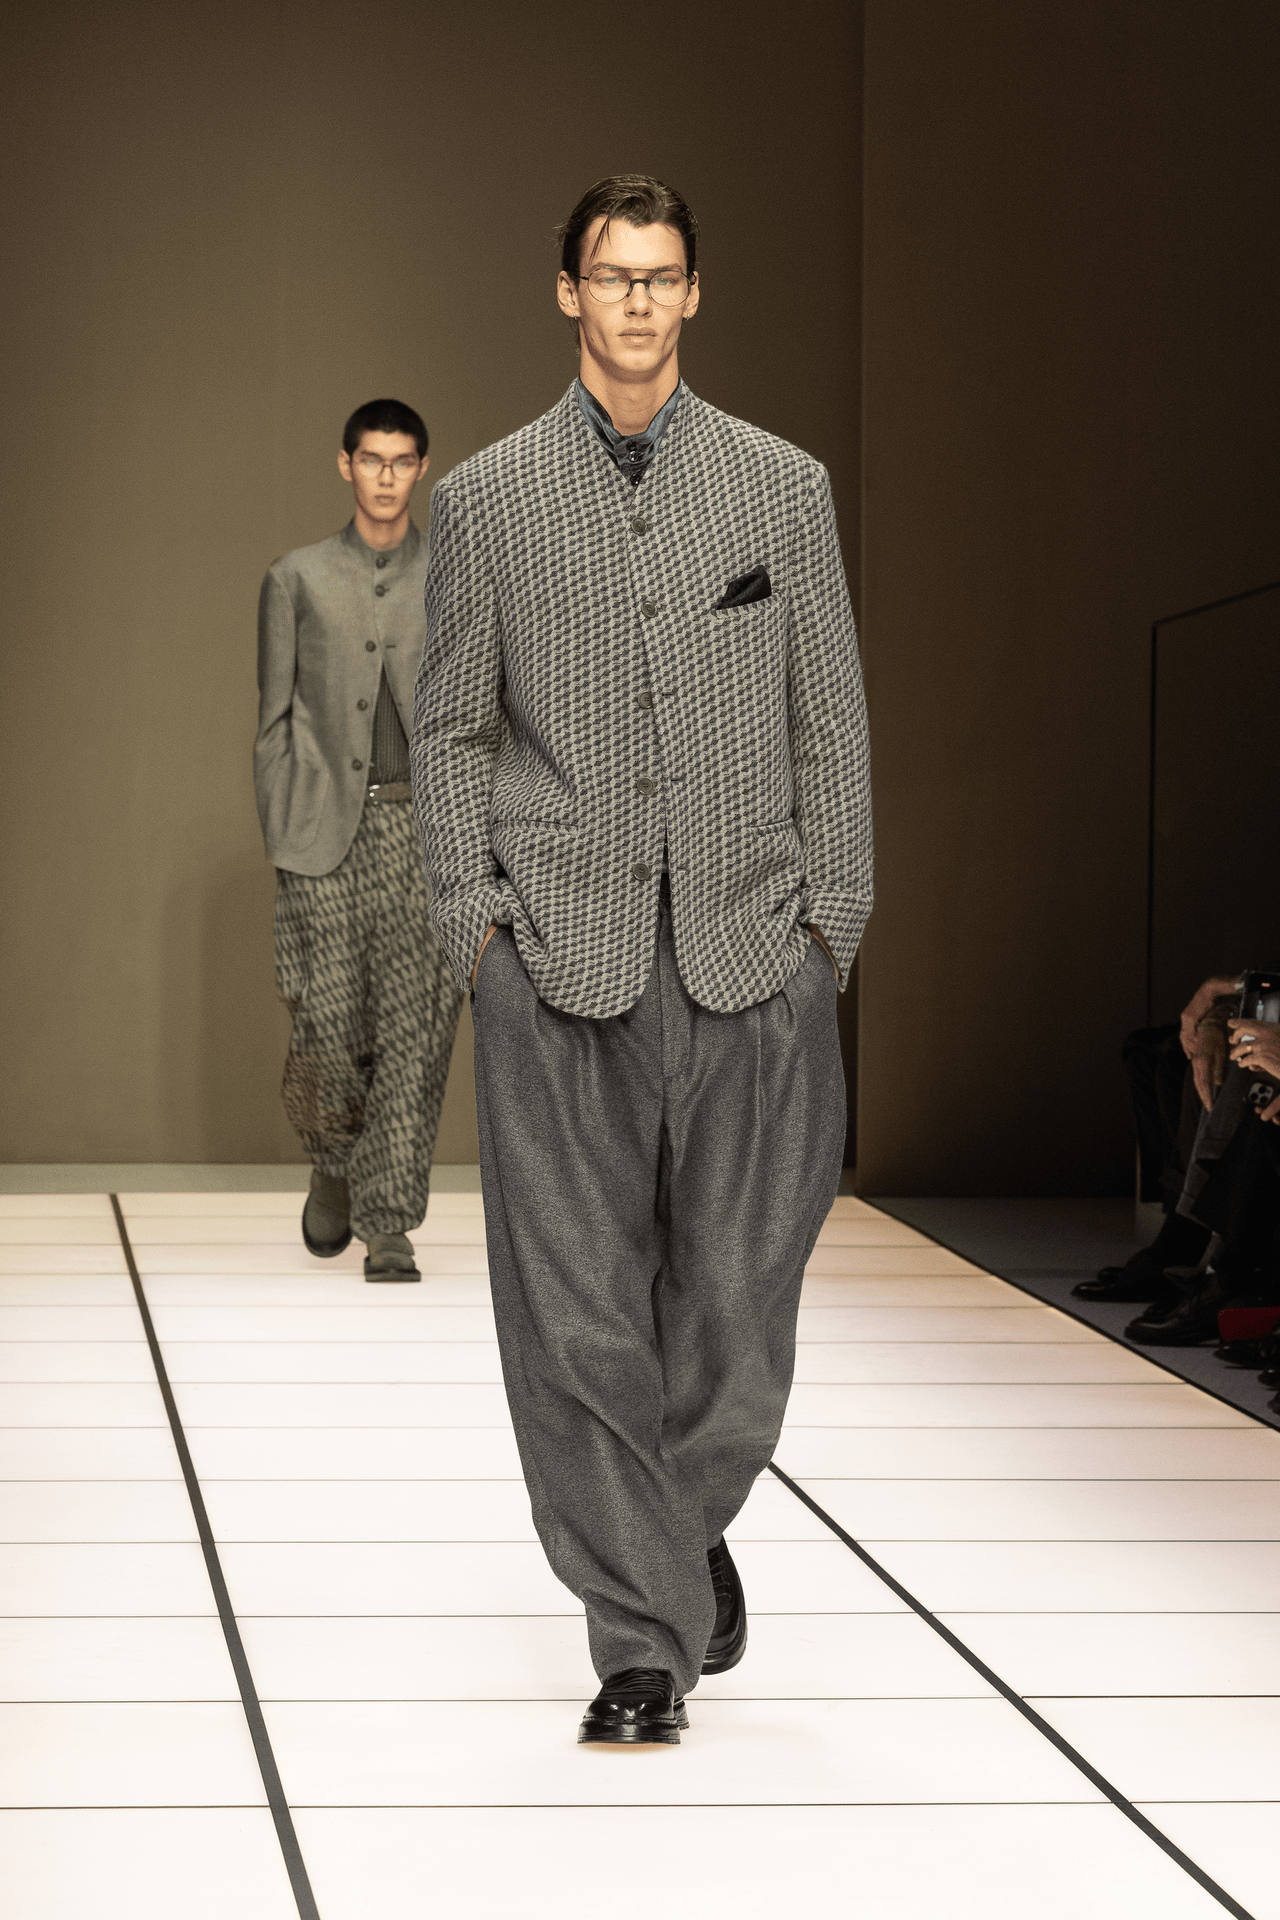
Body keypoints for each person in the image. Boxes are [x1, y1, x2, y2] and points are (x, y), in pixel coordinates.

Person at [411, 175, 872, 1743]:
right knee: (575, 1312)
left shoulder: (781, 487)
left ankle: (675, 1525)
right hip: (554, 957)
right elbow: (450, 730)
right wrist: (474, 930)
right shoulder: (488, 497)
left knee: (740, 1298)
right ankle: (639, 1645)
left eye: (661, 276)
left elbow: (832, 720)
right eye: (611, 275)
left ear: (693, 295)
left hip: (756, 949)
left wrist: (830, 927)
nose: (635, 301)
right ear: (569, 294)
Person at [255, 399, 463, 1280]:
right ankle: (332, 1165)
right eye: (371, 459)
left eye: (401, 461)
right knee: (326, 1021)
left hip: (424, 830)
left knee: (418, 1029)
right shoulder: (296, 578)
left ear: (422, 468)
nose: (385, 475)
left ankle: (389, 1224)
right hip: (323, 836)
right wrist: (284, 825)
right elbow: (273, 720)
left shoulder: (454, 574)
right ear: (346, 465)